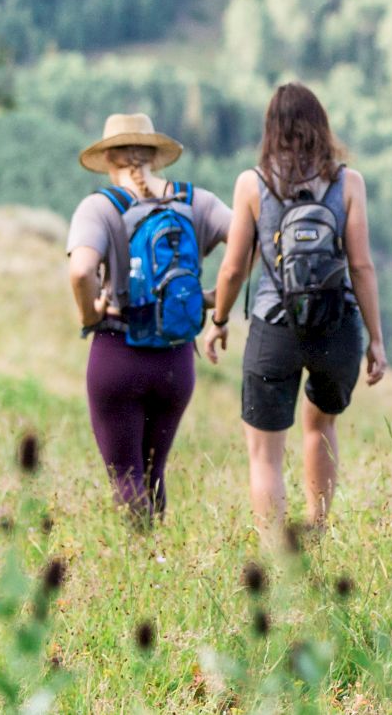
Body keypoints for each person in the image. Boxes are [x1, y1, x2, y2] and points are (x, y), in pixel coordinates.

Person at [205, 83, 388, 538]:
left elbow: (232, 268)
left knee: (265, 451)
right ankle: (318, 531)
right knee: (320, 423)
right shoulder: (349, 182)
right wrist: (376, 339)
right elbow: (361, 266)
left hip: (274, 326)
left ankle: (275, 553)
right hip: (336, 326)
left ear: (272, 129)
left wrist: (220, 320)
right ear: (319, 127)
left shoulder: (254, 183)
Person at [66, 113, 234, 520]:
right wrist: (213, 300)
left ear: (108, 159)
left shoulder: (100, 207)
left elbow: (81, 270)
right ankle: (158, 562)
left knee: (126, 477)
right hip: (176, 360)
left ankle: (140, 565)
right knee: (153, 474)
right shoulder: (195, 200)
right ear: (156, 158)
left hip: (118, 353)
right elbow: (253, 241)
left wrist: (91, 312)